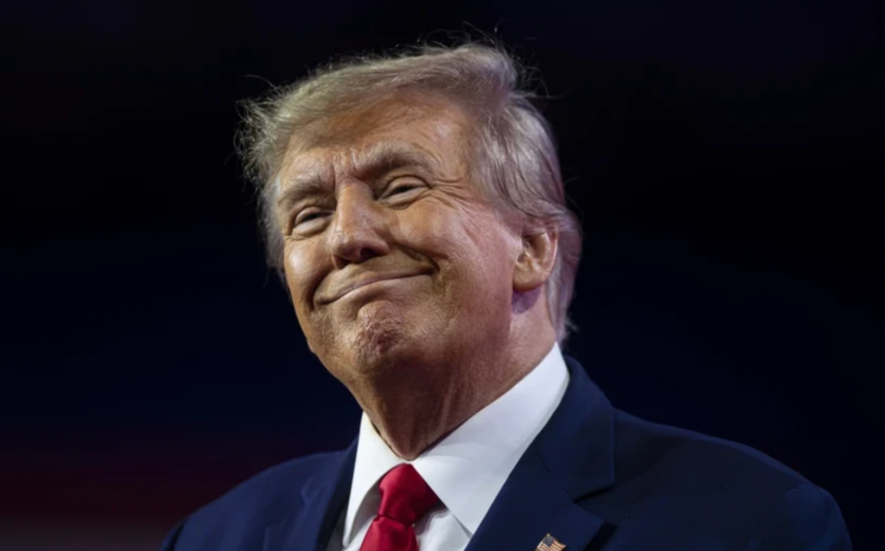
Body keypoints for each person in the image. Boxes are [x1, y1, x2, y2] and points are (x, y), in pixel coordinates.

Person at [160, 43, 851, 551]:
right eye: (308, 214)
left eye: (400, 188)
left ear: (532, 248)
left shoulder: (752, 525)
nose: (347, 237)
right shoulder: (214, 539)